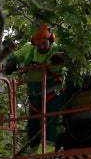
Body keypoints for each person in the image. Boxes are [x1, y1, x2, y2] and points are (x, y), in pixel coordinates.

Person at [4, 22, 67, 150]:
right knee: (32, 126)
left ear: (50, 39)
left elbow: (69, 57)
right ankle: (33, 155)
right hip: (34, 96)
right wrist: (10, 63)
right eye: (38, 44)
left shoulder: (57, 50)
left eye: (44, 43)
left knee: (49, 124)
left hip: (53, 94)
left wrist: (60, 58)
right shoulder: (29, 49)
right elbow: (14, 56)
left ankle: (48, 155)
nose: (41, 46)